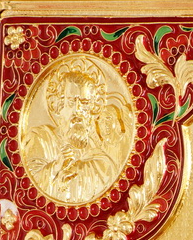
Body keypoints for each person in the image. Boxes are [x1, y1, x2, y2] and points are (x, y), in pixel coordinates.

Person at [23, 58, 131, 205]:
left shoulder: (101, 161)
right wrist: (57, 165)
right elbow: (27, 190)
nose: (78, 110)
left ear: (92, 108)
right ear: (59, 105)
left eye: (85, 103)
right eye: (71, 101)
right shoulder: (42, 139)